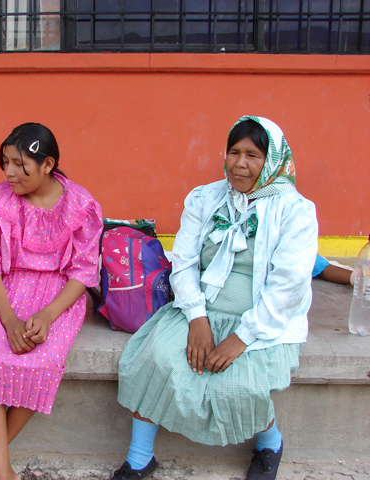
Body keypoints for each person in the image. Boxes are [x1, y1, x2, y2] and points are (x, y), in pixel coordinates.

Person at [111, 116, 317, 480]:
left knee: (241, 384)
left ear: (271, 161)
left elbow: (289, 285)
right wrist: (197, 320)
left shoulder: (295, 211)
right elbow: (186, 262)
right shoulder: (206, 198)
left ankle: (269, 444)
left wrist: (241, 339)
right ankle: (140, 457)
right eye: (233, 152)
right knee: (156, 358)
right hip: (202, 309)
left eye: (253, 155)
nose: (240, 163)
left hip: (260, 319)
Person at [0, 123, 103, 480]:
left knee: (43, 359)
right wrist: (8, 320)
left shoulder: (81, 204)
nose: (10, 173)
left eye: (20, 165)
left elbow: (84, 271)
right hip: (4, 290)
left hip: (59, 295)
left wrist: (48, 314)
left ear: (48, 164)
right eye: (5, 162)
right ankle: (3, 469)